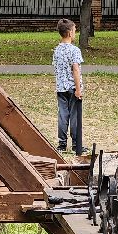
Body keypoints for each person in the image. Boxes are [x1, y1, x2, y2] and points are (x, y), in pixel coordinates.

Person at [52, 17, 85, 154]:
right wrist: (78, 89)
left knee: (62, 115)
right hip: (72, 87)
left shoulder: (57, 50)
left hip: (61, 87)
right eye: (75, 30)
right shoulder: (74, 50)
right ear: (70, 33)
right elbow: (75, 69)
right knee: (75, 116)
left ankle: (62, 144)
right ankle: (77, 144)